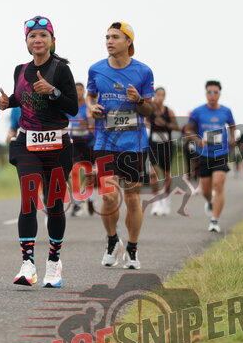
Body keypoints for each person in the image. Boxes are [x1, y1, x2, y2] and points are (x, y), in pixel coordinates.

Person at [0, 15, 78, 288]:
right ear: (26, 42)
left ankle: (54, 262)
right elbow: (21, 98)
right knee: (29, 199)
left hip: (57, 146)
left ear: (52, 40)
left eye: (43, 35)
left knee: (53, 205)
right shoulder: (20, 70)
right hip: (27, 144)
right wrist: (7, 102)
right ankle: (27, 264)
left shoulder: (61, 69)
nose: (38, 40)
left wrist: (53, 91)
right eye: (33, 36)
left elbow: (73, 107)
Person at [86, 22, 155, 270]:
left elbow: (150, 110)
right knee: (108, 196)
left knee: (133, 199)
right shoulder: (96, 69)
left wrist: (139, 100)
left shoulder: (143, 71)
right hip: (105, 141)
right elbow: (90, 95)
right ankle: (112, 240)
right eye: (107, 37)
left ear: (128, 41)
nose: (109, 41)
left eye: (115, 37)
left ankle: (132, 248)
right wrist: (91, 107)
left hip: (133, 144)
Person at [188, 81, 236, 233]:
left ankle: (214, 220)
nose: (212, 95)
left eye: (215, 92)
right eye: (210, 92)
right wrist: (198, 141)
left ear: (219, 94)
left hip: (220, 153)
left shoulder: (226, 111)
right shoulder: (198, 111)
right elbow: (189, 130)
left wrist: (232, 138)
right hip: (204, 154)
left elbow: (232, 125)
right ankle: (210, 201)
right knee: (206, 191)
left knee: (218, 184)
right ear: (205, 93)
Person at [147, 87, 179, 216]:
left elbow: (176, 127)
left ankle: (166, 199)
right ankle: (156, 202)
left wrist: (165, 123)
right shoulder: (149, 110)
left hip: (166, 145)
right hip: (153, 145)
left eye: (162, 95)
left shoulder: (168, 111)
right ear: (154, 96)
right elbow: (144, 124)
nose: (159, 97)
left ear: (165, 97)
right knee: (153, 174)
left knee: (166, 174)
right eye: (157, 95)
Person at [67, 82, 96, 216]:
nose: (78, 92)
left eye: (80, 89)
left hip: (89, 143)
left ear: (83, 91)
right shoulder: (69, 107)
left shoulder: (88, 107)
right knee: (74, 172)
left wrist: (88, 122)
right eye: (76, 89)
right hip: (75, 143)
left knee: (89, 174)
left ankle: (90, 199)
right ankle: (77, 202)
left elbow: (94, 126)